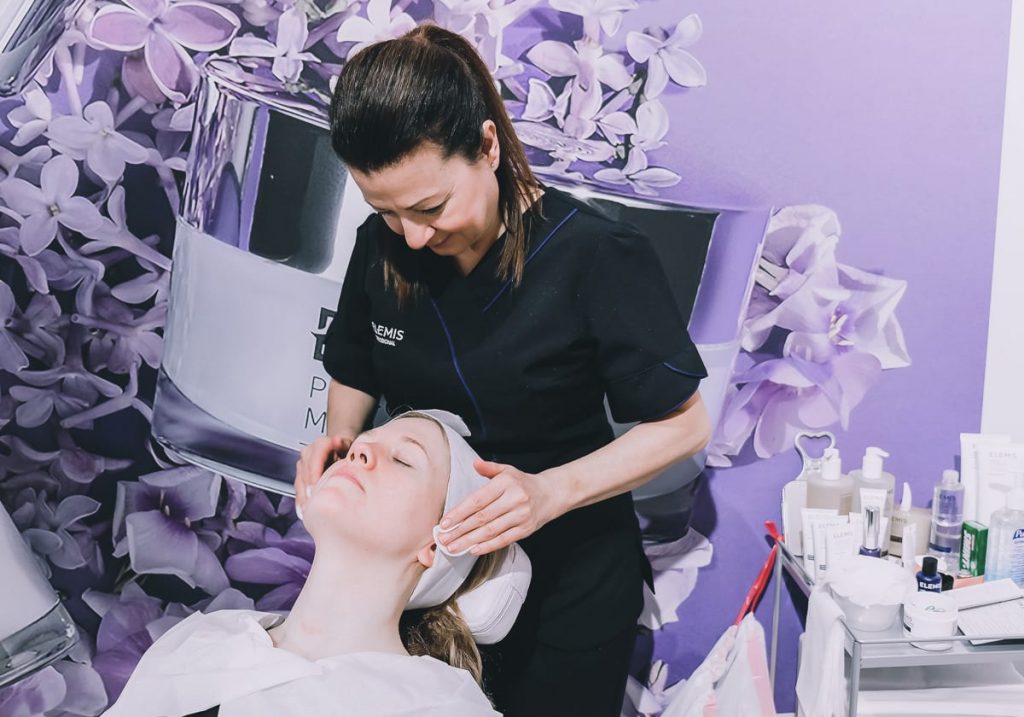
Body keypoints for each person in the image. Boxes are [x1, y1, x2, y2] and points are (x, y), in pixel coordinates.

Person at [298, 23, 712, 717]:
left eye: (430, 207)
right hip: (431, 592)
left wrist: (548, 492)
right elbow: (355, 364)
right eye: (386, 210)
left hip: (569, 583)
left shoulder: (595, 257)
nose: (413, 236)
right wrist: (340, 443)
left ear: (488, 146)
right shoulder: (385, 246)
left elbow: (685, 424)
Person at [103, 410, 529, 717]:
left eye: (403, 459)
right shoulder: (204, 640)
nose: (361, 453)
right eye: (362, 445)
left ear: (438, 544)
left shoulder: (437, 707)